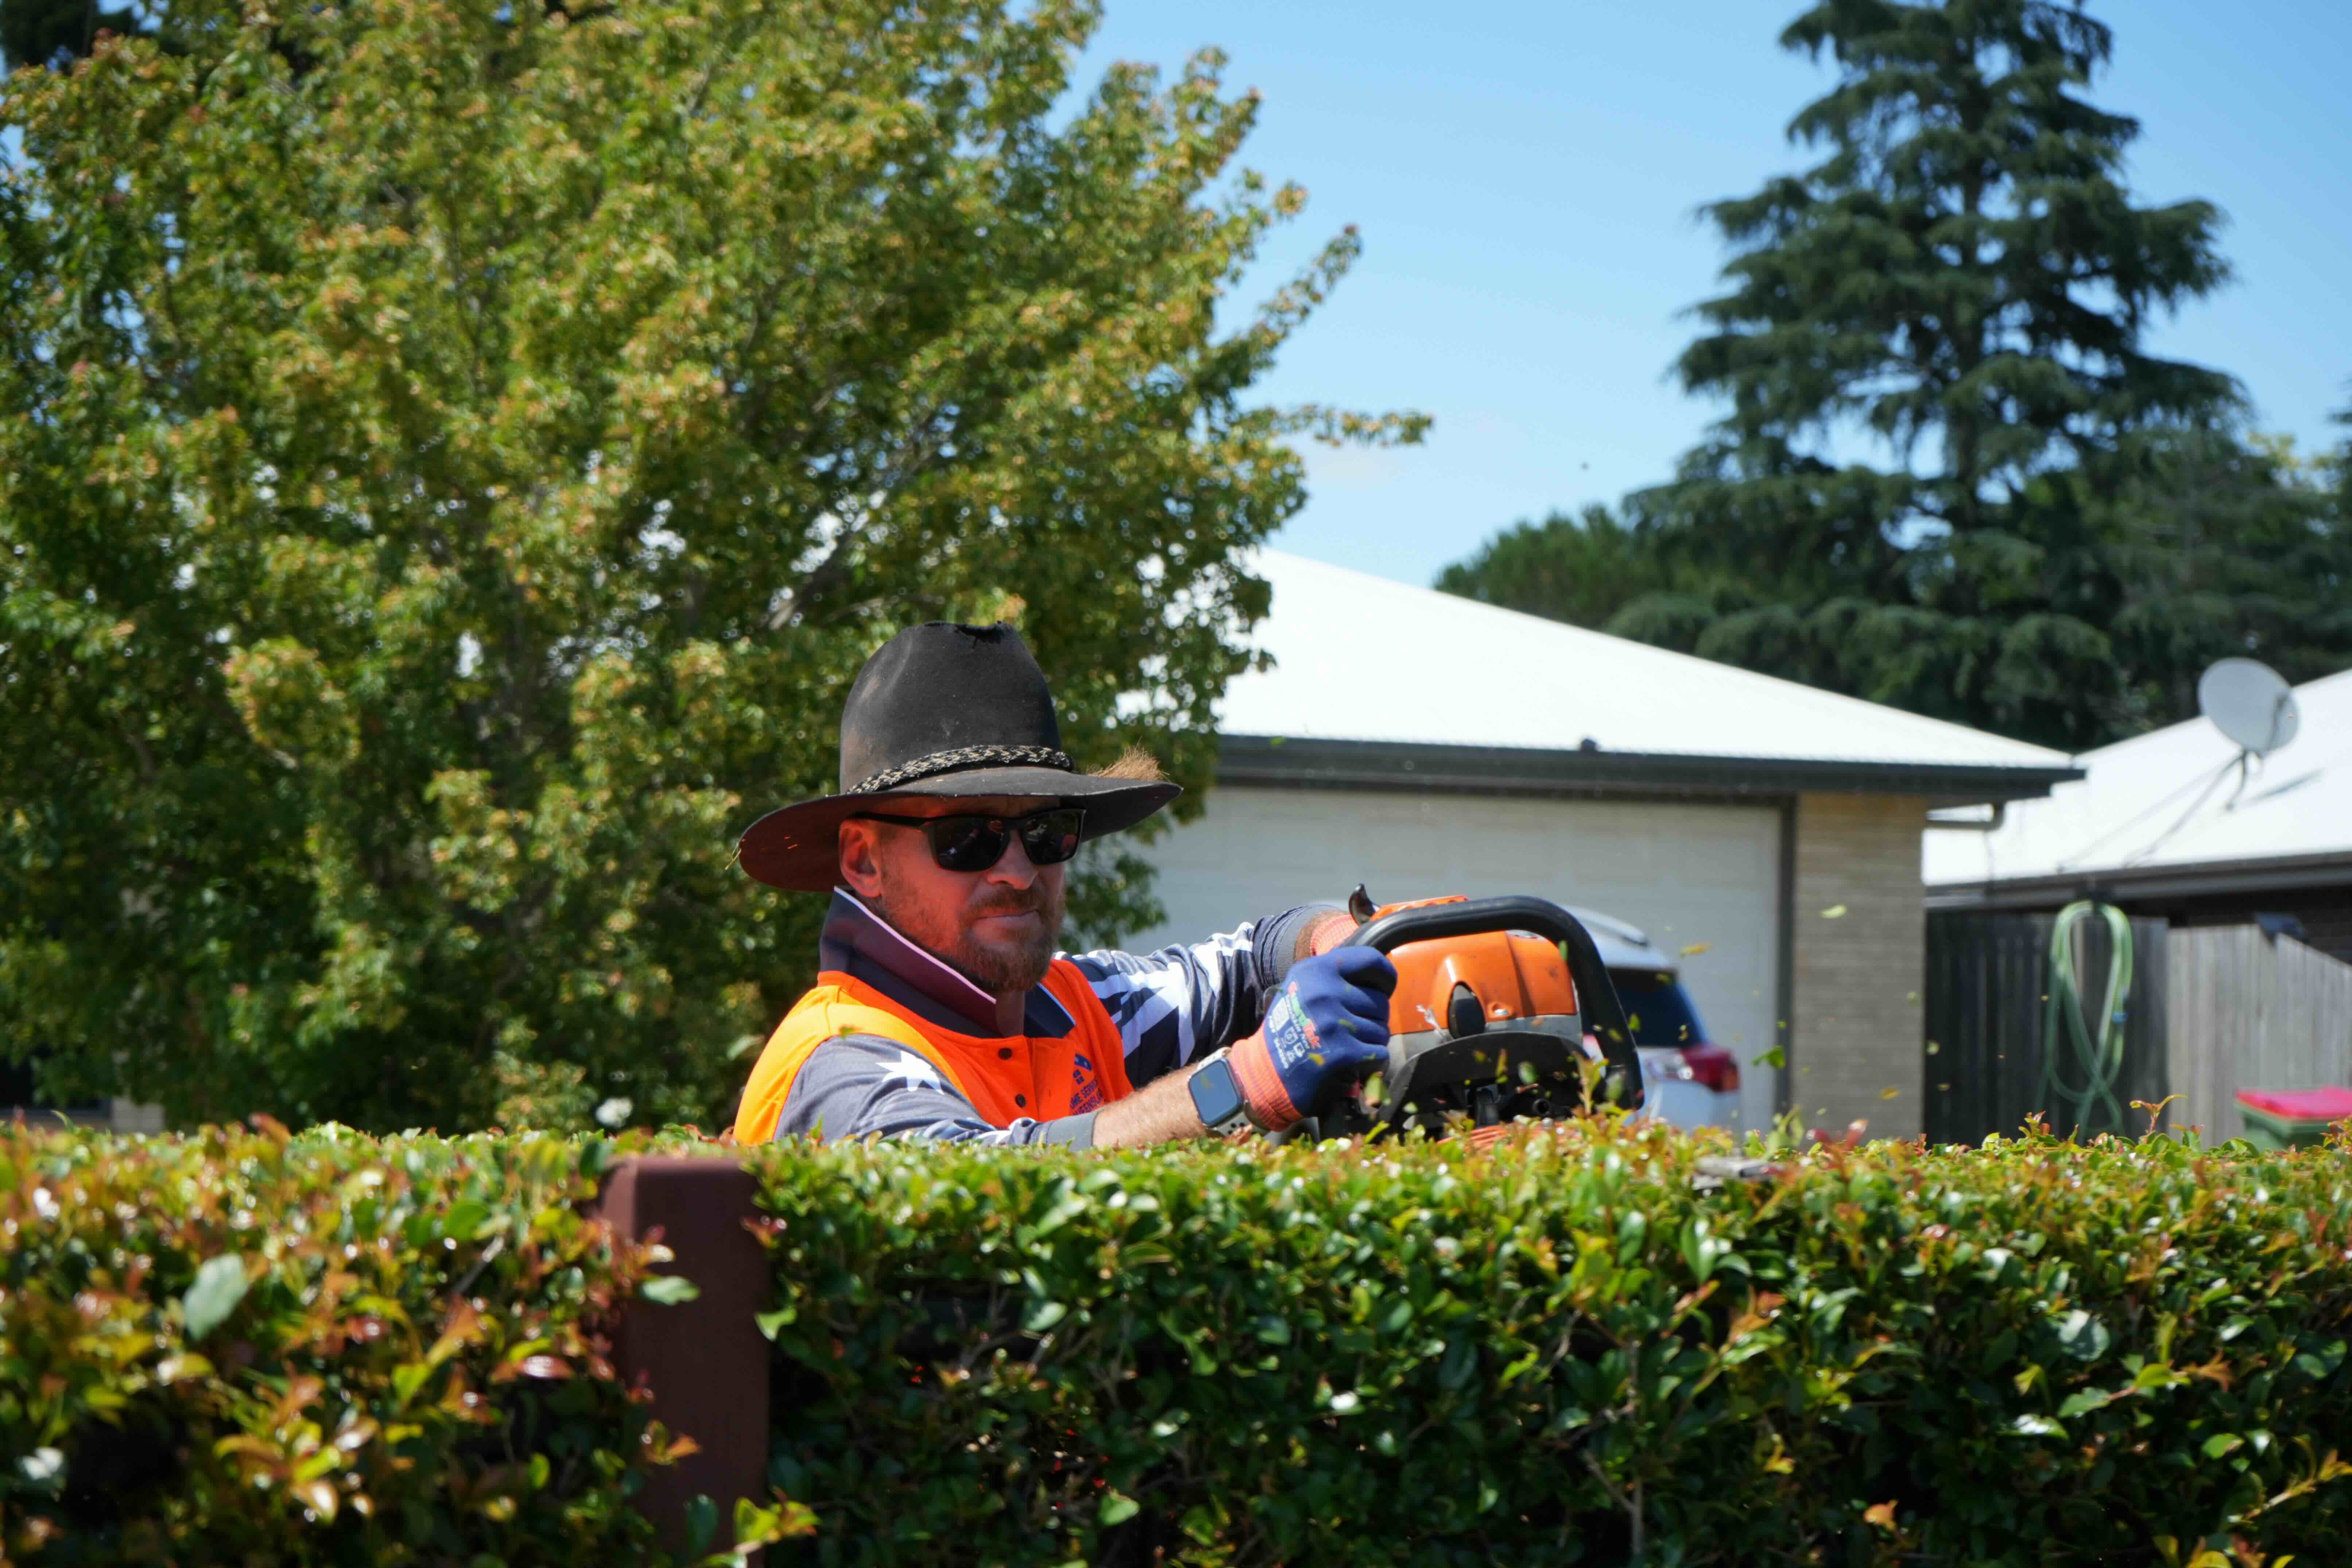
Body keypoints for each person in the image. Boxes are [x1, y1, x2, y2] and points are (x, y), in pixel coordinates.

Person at [730, 621, 1398, 1149]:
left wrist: (1351, 941)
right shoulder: (840, 1060)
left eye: (1048, 833)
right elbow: (985, 1188)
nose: (1019, 872)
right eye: (968, 837)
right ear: (863, 861)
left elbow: (1253, 962)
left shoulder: (1075, 1004)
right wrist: (1242, 1084)